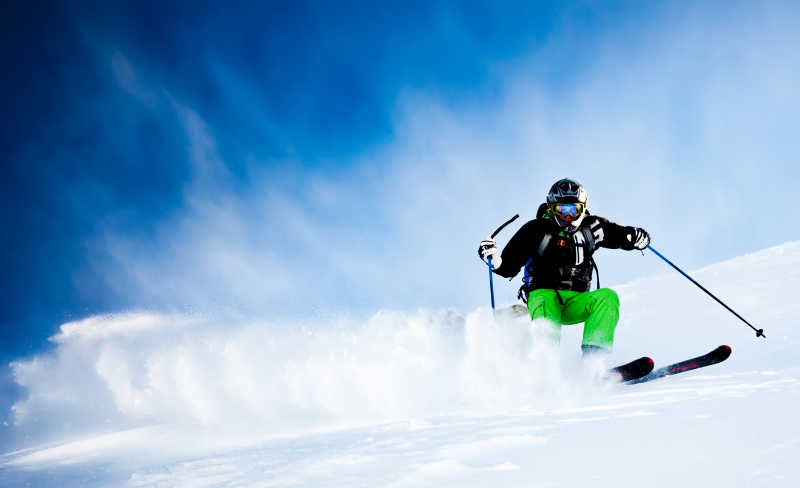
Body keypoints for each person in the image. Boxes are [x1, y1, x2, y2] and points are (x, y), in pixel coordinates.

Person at [478, 178, 650, 356]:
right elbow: (508, 266)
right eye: (562, 210)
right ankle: (545, 363)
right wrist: (494, 260)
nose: (568, 216)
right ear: (551, 207)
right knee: (546, 304)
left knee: (607, 297)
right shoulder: (536, 229)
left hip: (576, 300)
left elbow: (620, 235)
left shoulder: (593, 227)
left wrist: (636, 238)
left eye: (574, 210)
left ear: (583, 208)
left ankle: (594, 362)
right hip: (543, 296)